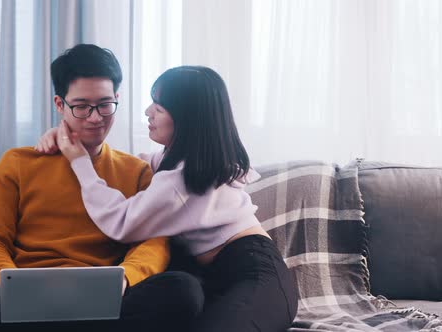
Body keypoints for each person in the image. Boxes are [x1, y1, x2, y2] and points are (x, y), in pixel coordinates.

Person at [0, 44, 204, 332]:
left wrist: (126, 279)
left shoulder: (136, 171)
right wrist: (11, 284)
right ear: (60, 104)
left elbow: (154, 243)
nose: (96, 118)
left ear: (117, 99)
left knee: (185, 290)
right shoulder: (18, 162)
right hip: (18, 291)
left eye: (105, 105)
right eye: (82, 107)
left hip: (106, 298)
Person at [36, 65, 299, 332]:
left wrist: (79, 162)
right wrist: (68, 140)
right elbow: (130, 165)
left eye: (159, 108)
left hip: (257, 278)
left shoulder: (180, 180)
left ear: (187, 119)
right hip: (220, 278)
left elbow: (120, 220)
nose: (148, 112)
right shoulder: (188, 162)